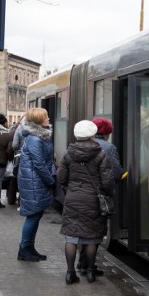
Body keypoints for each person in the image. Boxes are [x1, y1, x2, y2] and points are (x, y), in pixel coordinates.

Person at [57, 120, 114, 284]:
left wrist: (70, 190)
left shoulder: (68, 154)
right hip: (92, 200)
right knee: (91, 237)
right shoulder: (100, 154)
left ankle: (70, 273)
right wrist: (109, 194)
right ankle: (90, 273)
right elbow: (107, 181)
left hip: (73, 199)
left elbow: (61, 178)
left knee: (71, 237)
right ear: (92, 135)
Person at [75, 117, 123, 276]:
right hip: (99, 195)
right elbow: (116, 173)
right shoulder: (108, 148)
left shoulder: (74, 147)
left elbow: (63, 175)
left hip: (78, 195)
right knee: (95, 233)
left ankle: (80, 264)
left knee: (82, 230)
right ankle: (89, 267)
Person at [16, 108, 55, 262]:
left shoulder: (39, 136)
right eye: (46, 117)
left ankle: (30, 248)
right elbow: (39, 164)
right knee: (32, 216)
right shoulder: (35, 139)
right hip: (33, 182)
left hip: (34, 181)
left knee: (36, 215)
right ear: (39, 121)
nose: (49, 118)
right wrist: (51, 180)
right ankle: (24, 249)